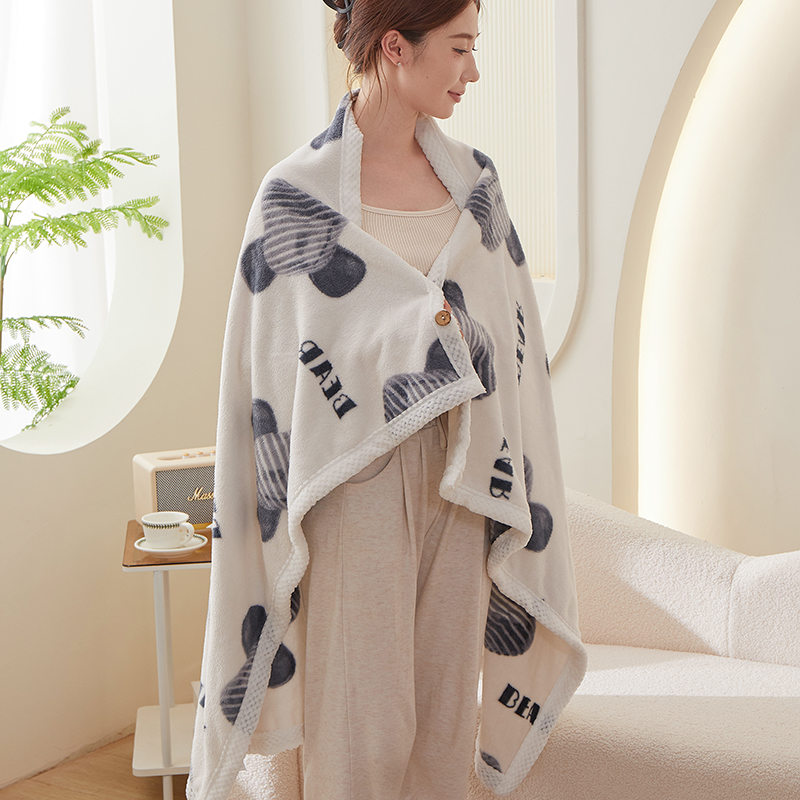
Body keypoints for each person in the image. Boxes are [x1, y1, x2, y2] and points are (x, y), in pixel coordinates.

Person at [188, 2, 586, 800]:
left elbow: (512, 346)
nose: (473, 71)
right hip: (354, 480)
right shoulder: (294, 195)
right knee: (359, 729)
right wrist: (414, 331)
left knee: (443, 724)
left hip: (467, 476)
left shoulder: (477, 186)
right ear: (396, 47)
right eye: (459, 48)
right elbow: (268, 367)